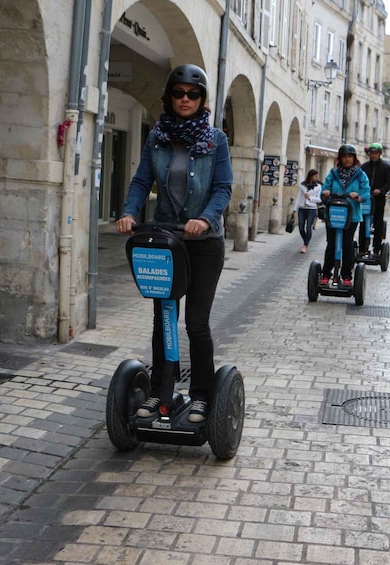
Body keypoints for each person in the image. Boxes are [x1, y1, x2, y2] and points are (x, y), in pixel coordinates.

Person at [116, 64, 232, 424]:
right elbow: (140, 181)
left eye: (193, 94)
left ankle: (200, 396)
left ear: (202, 100)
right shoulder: (157, 137)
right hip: (166, 240)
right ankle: (161, 393)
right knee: (163, 318)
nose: (185, 99)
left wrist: (205, 219)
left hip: (204, 242)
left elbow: (222, 188)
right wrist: (129, 213)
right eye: (179, 93)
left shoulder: (216, 140)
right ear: (169, 97)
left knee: (196, 322)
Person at [320, 144, 370, 287]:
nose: (347, 160)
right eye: (344, 157)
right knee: (331, 245)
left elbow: (366, 192)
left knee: (347, 245)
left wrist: (359, 196)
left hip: (351, 216)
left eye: (350, 157)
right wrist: (325, 193)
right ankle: (326, 274)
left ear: (354, 159)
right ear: (340, 159)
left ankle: (346, 276)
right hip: (334, 214)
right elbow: (325, 188)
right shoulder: (333, 173)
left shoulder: (360, 175)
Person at [360, 143, 390, 256]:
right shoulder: (364, 167)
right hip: (365, 200)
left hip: (378, 200)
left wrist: (381, 190)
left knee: (378, 224)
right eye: (372, 153)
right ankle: (362, 248)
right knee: (363, 224)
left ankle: (377, 249)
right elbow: (359, 181)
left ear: (379, 154)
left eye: (376, 153)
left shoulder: (385, 167)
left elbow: (389, 183)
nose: (373, 155)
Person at [295, 169, 321, 253]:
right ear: (311, 176)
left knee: (308, 227)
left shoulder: (318, 186)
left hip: (312, 208)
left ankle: (305, 245)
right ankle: (306, 241)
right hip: (302, 208)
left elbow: (319, 199)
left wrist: (310, 198)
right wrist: (294, 209)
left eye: (317, 176)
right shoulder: (302, 185)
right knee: (301, 228)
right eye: (315, 176)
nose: (317, 178)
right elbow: (298, 197)